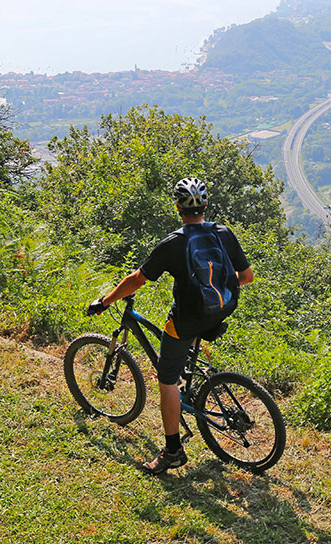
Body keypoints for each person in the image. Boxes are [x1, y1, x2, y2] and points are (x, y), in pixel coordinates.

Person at [84, 176, 254, 475]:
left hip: (188, 319)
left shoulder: (174, 243)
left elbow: (137, 279)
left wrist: (106, 301)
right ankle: (190, 365)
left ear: (178, 208)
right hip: (221, 310)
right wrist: (213, 294)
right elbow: (247, 275)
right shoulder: (223, 233)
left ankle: (172, 451)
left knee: (166, 378)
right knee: (183, 338)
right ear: (205, 205)